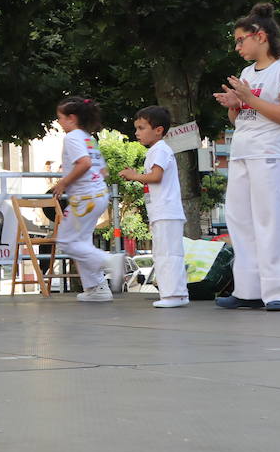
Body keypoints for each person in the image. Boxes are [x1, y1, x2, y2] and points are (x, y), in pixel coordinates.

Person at [212, 2, 280, 311]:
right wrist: (235, 105)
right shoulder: (247, 72)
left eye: (241, 39)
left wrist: (248, 99)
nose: (237, 46)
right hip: (243, 151)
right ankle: (248, 289)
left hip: (271, 153)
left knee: (271, 221)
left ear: (260, 36)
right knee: (240, 220)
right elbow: (242, 120)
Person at [119, 106, 188, 308]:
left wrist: (134, 176)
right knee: (167, 253)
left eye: (141, 128)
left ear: (158, 130)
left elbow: (156, 177)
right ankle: (177, 294)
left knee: (166, 254)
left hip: (166, 211)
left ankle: (172, 295)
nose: (137, 133)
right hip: (163, 211)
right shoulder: (157, 150)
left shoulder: (160, 149)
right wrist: (139, 177)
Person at [50, 96, 115, 303]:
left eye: (60, 117)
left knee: (67, 241)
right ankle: (97, 288)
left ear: (71, 117)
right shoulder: (89, 138)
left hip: (85, 198)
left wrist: (63, 183)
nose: (58, 122)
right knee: (81, 241)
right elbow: (103, 170)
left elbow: (84, 163)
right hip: (98, 195)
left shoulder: (72, 138)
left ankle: (112, 263)